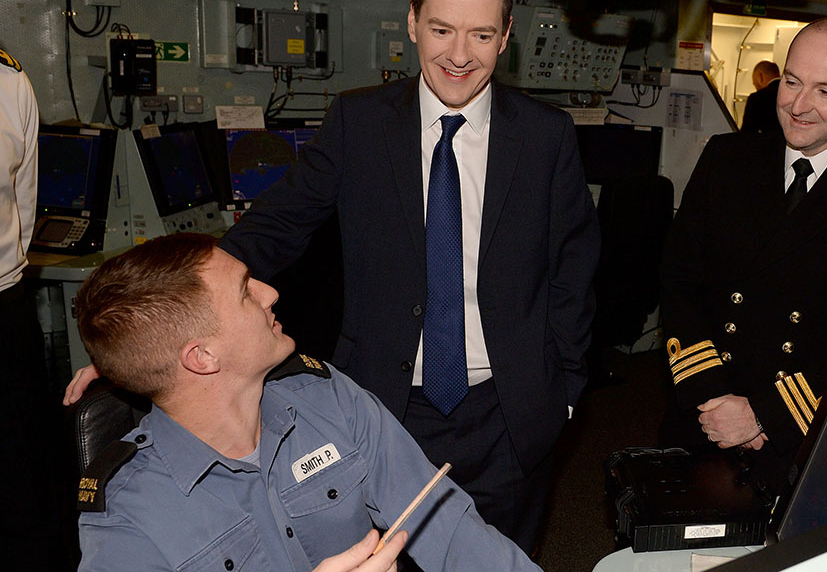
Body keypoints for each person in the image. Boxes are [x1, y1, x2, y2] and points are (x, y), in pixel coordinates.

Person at [65, 0, 600, 552]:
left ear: (506, 36)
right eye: (441, 29)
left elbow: (572, 274)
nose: (458, 55)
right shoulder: (359, 123)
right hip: (381, 409)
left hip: (508, 414)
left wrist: (560, 397)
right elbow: (276, 226)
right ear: (411, 24)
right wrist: (151, 329)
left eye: (480, 35)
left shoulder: (545, 137)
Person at [73, 233, 541, 572]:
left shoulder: (326, 396)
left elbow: (448, 527)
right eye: (244, 292)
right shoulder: (129, 519)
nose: (270, 293)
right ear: (202, 357)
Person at [659, 18, 827, 491]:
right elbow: (680, 281)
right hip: (704, 411)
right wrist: (712, 397)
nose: (799, 106)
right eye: (791, 82)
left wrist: (764, 415)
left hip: (801, 432)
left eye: (825, 91)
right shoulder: (726, 160)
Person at [0, 48, 61, 569]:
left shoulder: (10, 78)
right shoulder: (9, 78)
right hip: (4, 299)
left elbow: (24, 202)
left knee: (21, 476)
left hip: (3, 307)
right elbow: (24, 205)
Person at [740, 60, 782, 136]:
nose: (756, 88)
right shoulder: (794, 93)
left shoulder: (757, 99)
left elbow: (746, 135)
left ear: (760, 77)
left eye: (755, 84)